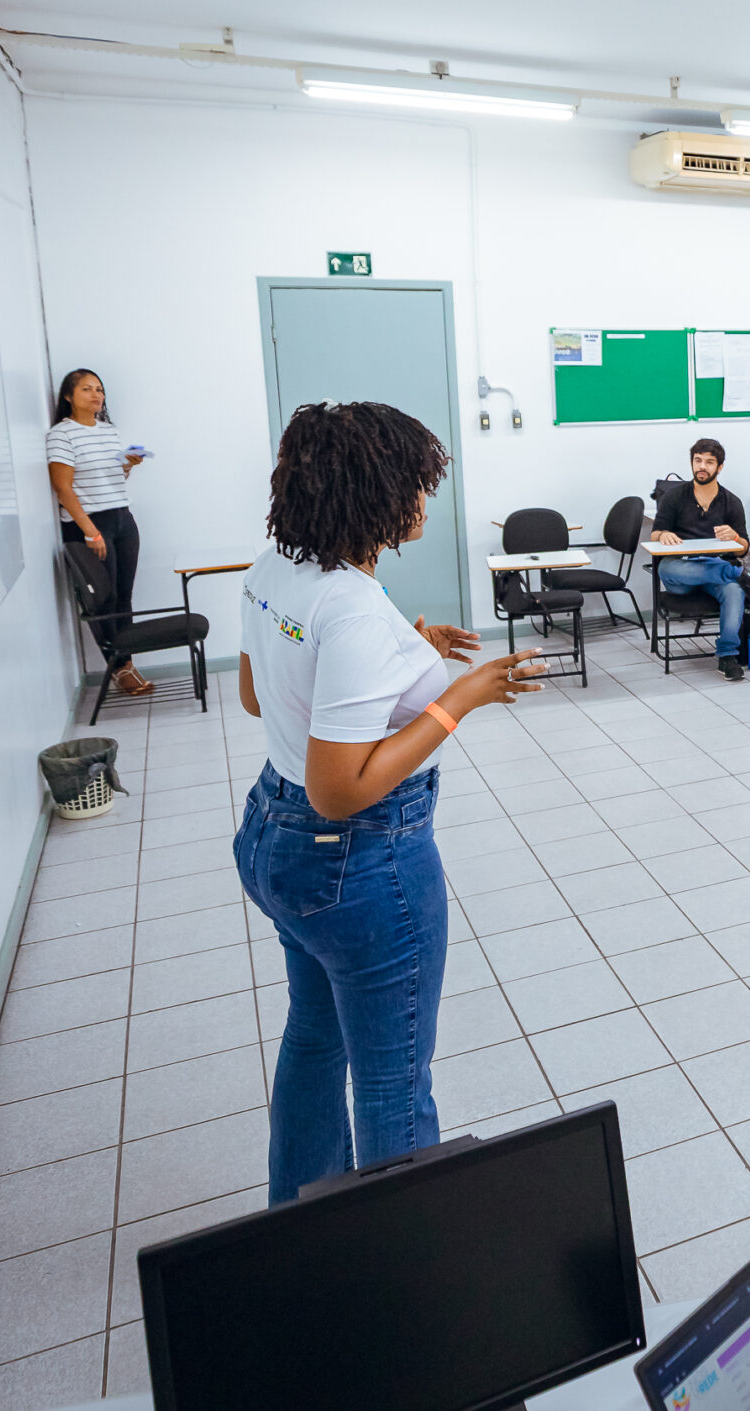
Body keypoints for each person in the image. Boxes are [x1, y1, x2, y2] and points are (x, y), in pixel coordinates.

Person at [233, 401, 545, 1204]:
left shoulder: (275, 568)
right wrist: (461, 698)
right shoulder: (350, 609)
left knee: (314, 1037)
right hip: (359, 865)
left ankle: (300, 1225)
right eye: (416, 486)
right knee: (394, 1083)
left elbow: (258, 695)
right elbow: (339, 789)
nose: (425, 502)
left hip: (274, 843)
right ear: (372, 495)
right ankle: (405, 1273)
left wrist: (411, 647)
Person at [48, 368, 153, 696]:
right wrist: (91, 532)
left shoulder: (109, 431)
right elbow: (63, 489)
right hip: (90, 525)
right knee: (102, 601)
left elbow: (112, 479)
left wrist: (127, 465)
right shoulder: (61, 435)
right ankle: (119, 668)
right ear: (69, 396)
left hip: (123, 520)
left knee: (124, 596)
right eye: (86, 389)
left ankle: (127, 664)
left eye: (99, 389)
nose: (95, 395)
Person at [649, 437, 750, 681]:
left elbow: (744, 547)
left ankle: (727, 656)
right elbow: (655, 533)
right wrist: (664, 535)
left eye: (709, 462)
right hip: (680, 571)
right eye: (697, 461)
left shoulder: (731, 502)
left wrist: (735, 537)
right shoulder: (674, 497)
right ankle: (740, 575)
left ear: (720, 467)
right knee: (671, 567)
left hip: (713, 569)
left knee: (734, 592)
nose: (702, 467)